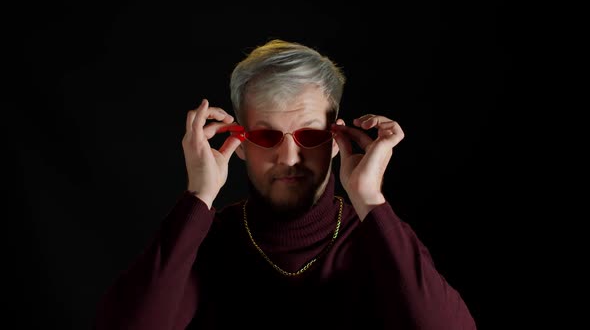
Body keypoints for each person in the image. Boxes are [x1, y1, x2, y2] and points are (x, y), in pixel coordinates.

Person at [94, 39, 477, 330]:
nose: (289, 158)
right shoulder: (204, 242)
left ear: (335, 138)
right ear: (238, 141)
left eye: (309, 136)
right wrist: (199, 196)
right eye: (265, 137)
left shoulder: (376, 236)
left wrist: (370, 199)